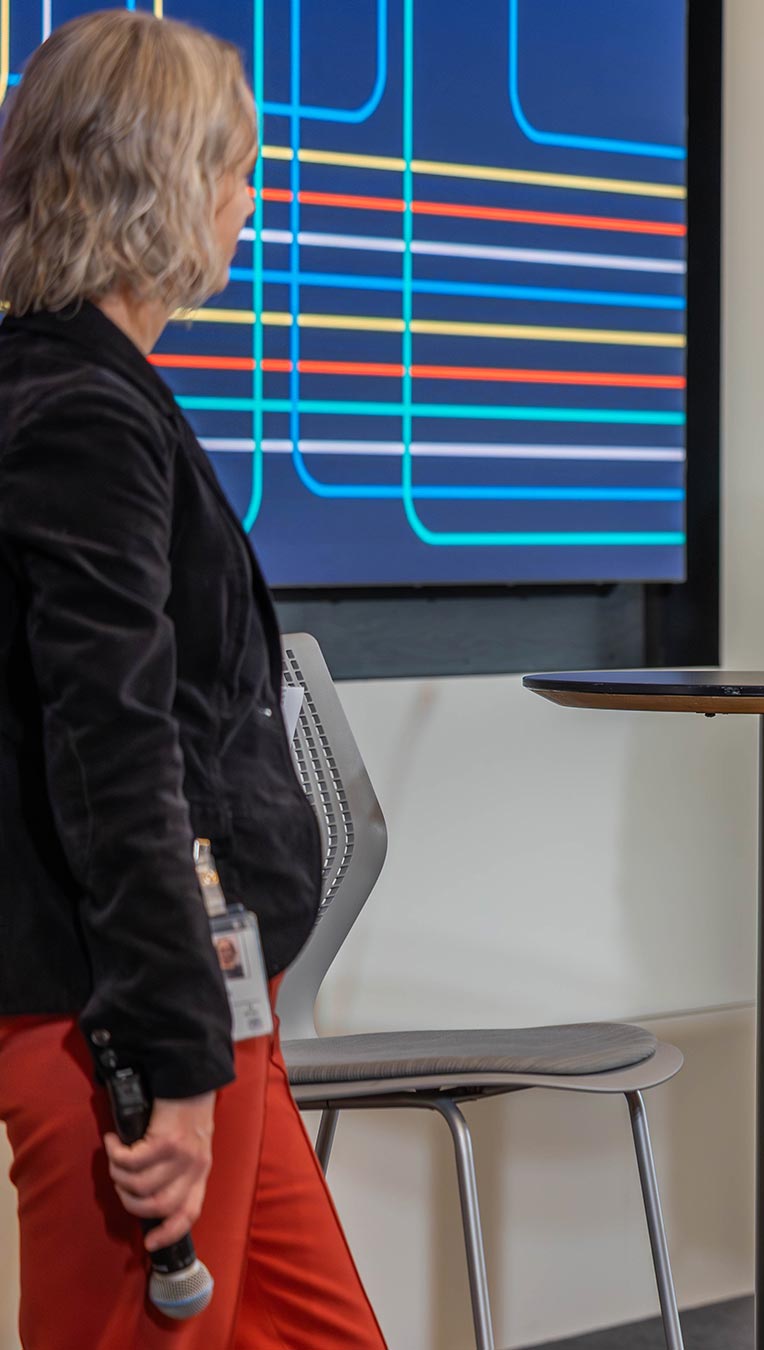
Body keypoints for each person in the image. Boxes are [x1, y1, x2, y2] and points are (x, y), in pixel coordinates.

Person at [0, 12, 385, 1346]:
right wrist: (170, 1052)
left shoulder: (87, 390)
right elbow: (113, 745)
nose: (247, 197)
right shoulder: (78, 410)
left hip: (204, 1001)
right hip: (125, 1016)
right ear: (159, 178)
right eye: (235, 164)